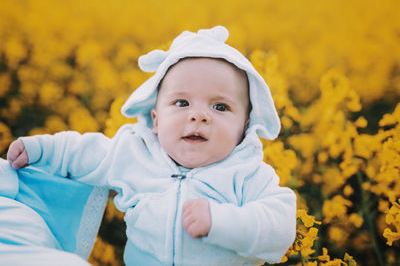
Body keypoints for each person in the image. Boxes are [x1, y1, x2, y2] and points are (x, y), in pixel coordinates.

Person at [7, 25, 296, 265]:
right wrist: (41, 149)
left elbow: (280, 226)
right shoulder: (136, 154)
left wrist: (221, 221)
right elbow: (86, 153)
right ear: (155, 121)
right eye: (181, 103)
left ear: (245, 128)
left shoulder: (248, 174)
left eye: (220, 107)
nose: (199, 115)